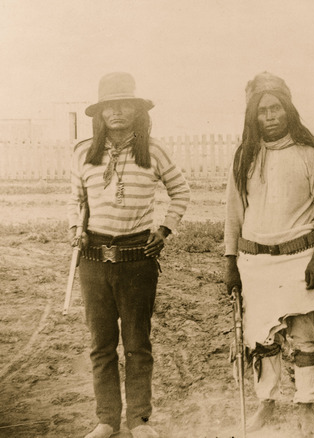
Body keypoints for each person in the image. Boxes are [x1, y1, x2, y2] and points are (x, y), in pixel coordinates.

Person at [68, 72, 190, 438]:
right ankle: (107, 420)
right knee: (101, 344)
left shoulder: (153, 151)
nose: (117, 112)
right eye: (110, 106)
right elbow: (75, 201)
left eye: (125, 105)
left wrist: (164, 230)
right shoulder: (82, 152)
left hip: (137, 259)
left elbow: (180, 192)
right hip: (92, 261)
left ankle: (139, 420)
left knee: (137, 343)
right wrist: (77, 228)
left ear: (137, 111)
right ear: (100, 113)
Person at [223, 72, 314, 435]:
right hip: (255, 263)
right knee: (262, 340)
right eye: (262, 111)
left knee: (305, 339)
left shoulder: (310, 154)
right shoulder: (244, 157)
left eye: (276, 108)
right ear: (253, 116)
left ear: (288, 110)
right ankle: (267, 402)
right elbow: (233, 212)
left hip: (298, 261)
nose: (270, 116)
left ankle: (306, 405)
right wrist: (230, 261)